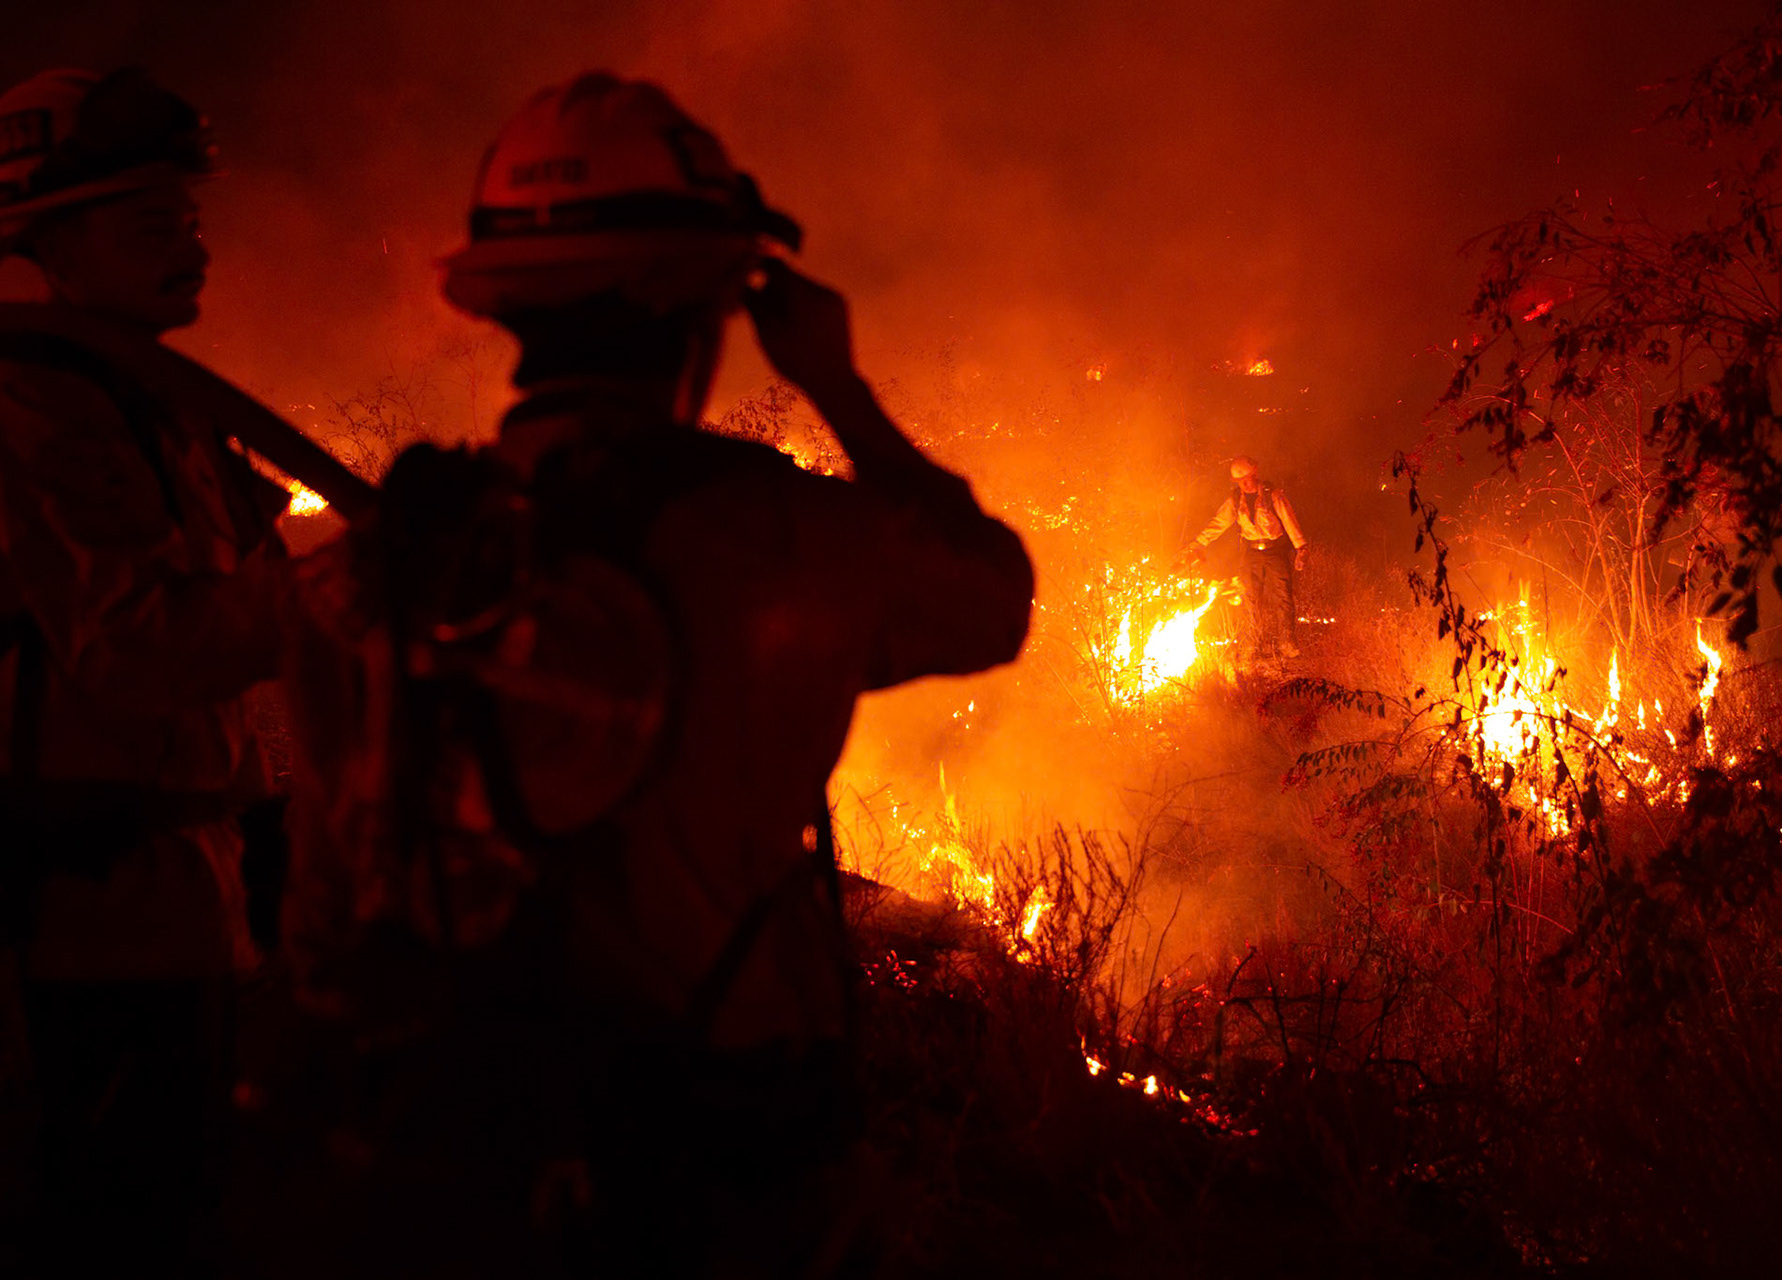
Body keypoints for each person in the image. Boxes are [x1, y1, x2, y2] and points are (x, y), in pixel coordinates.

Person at [278, 73, 1033, 1276]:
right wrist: (838, 384)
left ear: (506, 309)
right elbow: (992, 600)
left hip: (438, 1153)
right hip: (721, 1157)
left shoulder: (367, 566)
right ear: (707, 300)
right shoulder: (773, 538)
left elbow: (319, 910)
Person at [0, 68, 294, 1274]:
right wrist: (343, 588)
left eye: (190, 215)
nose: (193, 243)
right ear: (47, 236)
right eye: (151, 221)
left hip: (182, 906)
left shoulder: (135, 395)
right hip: (87, 933)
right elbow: (137, 654)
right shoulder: (37, 402)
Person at [1179, 454, 1307, 660]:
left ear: (1255, 475)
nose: (1245, 484)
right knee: (1250, 599)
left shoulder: (1272, 495)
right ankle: (1251, 644)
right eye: (1240, 481)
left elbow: (1289, 519)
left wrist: (1301, 548)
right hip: (1252, 554)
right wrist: (1199, 543)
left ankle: (1287, 643)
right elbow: (1218, 523)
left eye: (1248, 478)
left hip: (1276, 552)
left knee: (1283, 598)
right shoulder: (1235, 500)